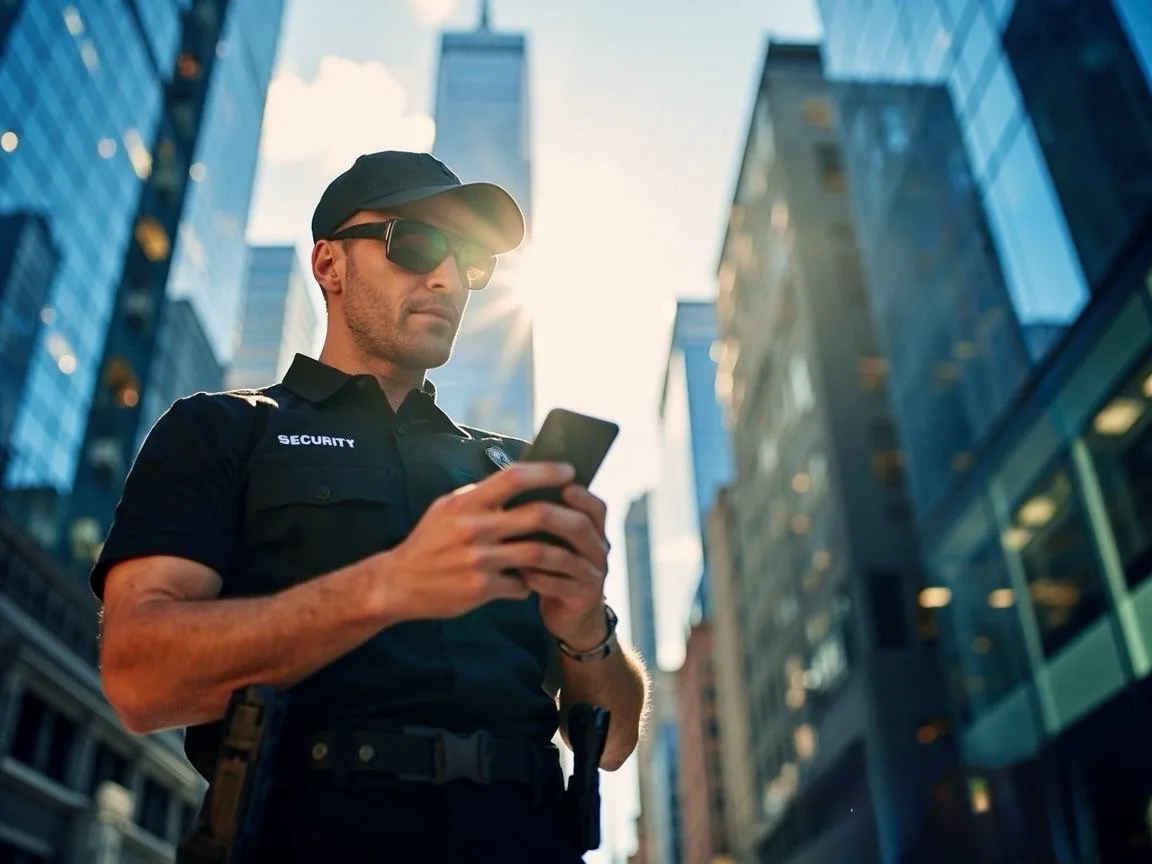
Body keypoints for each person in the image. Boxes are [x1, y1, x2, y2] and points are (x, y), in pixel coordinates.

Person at [92, 151, 649, 862]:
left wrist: (583, 625)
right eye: (413, 243)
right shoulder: (224, 430)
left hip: (528, 836)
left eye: (470, 260)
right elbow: (140, 676)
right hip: (310, 835)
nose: (447, 278)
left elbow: (616, 742)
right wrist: (389, 586)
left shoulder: (509, 466)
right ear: (329, 265)